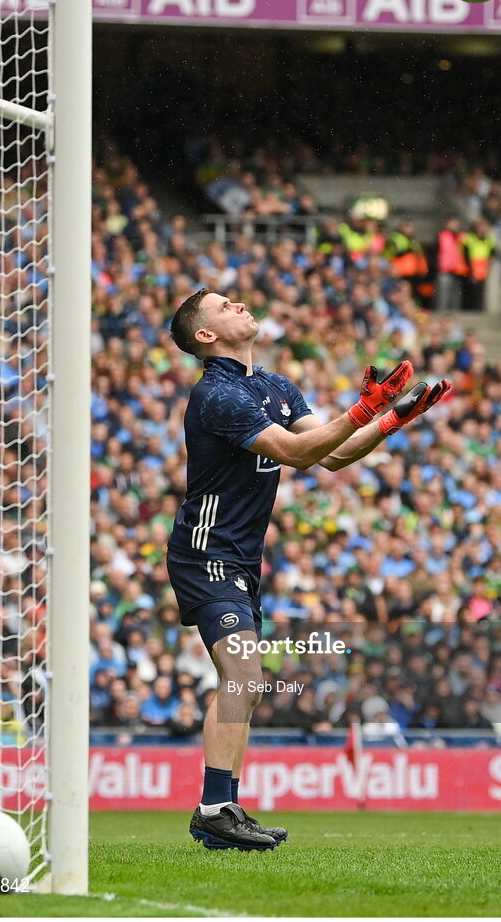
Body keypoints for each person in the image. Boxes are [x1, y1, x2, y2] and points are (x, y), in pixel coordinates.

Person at [166, 288, 451, 851]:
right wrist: (365, 409)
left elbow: (333, 452)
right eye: (225, 307)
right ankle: (214, 808)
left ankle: (221, 809)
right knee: (244, 677)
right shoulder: (216, 395)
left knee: (244, 686)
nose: (241, 306)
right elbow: (296, 454)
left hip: (242, 559)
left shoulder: (275, 387)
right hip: (206, 552)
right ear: (206, 335)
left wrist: (394, 418)